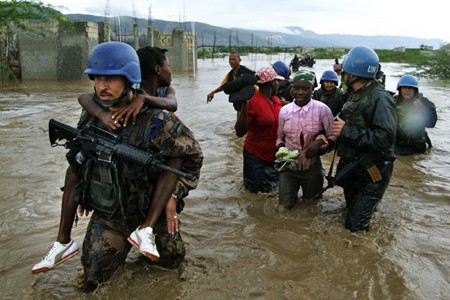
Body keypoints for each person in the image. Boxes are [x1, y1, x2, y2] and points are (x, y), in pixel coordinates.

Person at [34, 42, 203, 291]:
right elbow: (80, 155)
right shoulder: (92, 113)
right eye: (97, 78)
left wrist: (173, 195)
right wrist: (81, 192)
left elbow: (192, 157)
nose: (102, 86)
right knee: (94, 281)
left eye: (111, 79)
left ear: (129, 80)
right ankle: (63, 242)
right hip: (110, 217)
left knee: (171, 264)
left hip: (150, 213)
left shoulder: (157, 119)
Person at [332, 46, 396, 232]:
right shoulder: (356, 95)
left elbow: (385, 137)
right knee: (349, 212)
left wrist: (346, 131)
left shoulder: (380, 99)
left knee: (355, 228)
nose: (343, 75)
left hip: (371, 172)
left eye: (345, 72)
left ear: (353, 74)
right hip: (353, 169)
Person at [276, 70, 335, 209]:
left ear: (313, 89)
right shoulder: (284, 111)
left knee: (312, 207)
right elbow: (279, 138)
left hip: (312, 167)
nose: (300, 92)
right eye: (296, 88)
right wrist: (281, 149)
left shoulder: (323, 110)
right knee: (284, 207)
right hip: (289, 167)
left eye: (305, 88)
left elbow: (333, 136)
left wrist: (320, 142)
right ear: (292, 89)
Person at [234, 66, 284, 193]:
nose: (278, 84)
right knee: (255, 194)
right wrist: (243, 107)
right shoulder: (252, 101)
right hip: (255, 157)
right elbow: (240, 132)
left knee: (272, 192)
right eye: (277, 81)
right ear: (272, 83)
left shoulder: (276, 100)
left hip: (274, 155)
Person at [394, 74, 437, 155]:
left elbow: (431, 124)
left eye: (410, 88)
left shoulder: (424, 102)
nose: (407, 90)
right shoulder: (392, 102)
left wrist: (421, 109)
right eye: (405, 87)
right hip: (397, 146)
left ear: (415, 90)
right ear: (400, 89)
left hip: (417, 147)